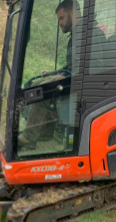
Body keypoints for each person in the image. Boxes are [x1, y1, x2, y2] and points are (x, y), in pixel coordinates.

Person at [18, 0, 107, 149]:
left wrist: (67, 77)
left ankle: (29, 137)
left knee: (41, 89)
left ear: (73, 13)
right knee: (35, 83)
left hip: (86, 89)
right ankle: (44, 132)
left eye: (61, 18)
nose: (59, 23)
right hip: (76, 81)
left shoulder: (91, 34)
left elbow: (96, 68)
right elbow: (74, 66)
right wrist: (57, 73)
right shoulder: (77, 34)